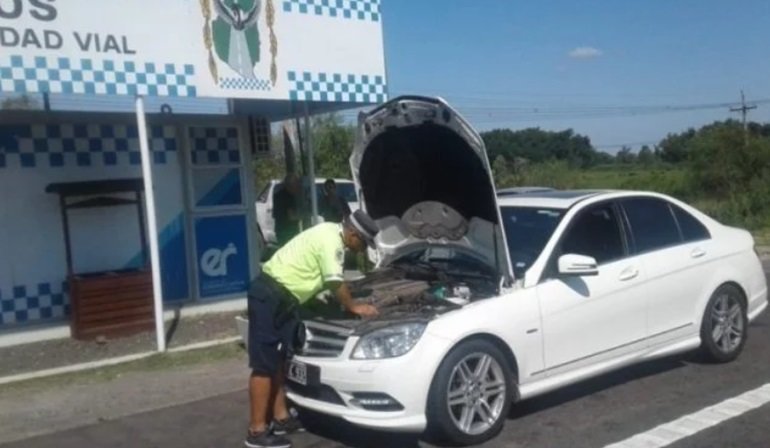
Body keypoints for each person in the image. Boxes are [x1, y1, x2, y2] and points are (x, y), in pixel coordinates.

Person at [244, 210, 380, 448]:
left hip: (284, 300)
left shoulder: (328, 231)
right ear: (353, 234)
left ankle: (281, 417)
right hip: (270, 297)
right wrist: (354, 306)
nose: (361, 250)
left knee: (279, 360)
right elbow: (334, 282)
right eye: (362, 244)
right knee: (264, 365)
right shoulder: (332, 243)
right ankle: (256, 432)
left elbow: (314, 275)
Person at [273, 175, 302, 247]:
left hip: (280, 230)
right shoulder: (288, 197)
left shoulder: (278, 195)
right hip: (288, 232)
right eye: (297, 184)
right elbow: (291, 216)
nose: (298, 187)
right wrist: (303, 216)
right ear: (291, 185)